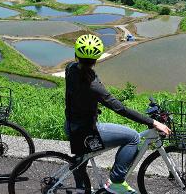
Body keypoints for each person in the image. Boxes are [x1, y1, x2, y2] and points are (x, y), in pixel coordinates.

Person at [65, 34, 171, 194]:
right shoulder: (93, 86)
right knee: (133, 137)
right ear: (96, 58)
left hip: (71, 125)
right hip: (86, 130)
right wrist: (153, 122)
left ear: (76, 55)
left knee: (81, 161)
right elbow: (120, 108)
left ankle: (81, 188)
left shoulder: (70, 69)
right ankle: (116, 181)